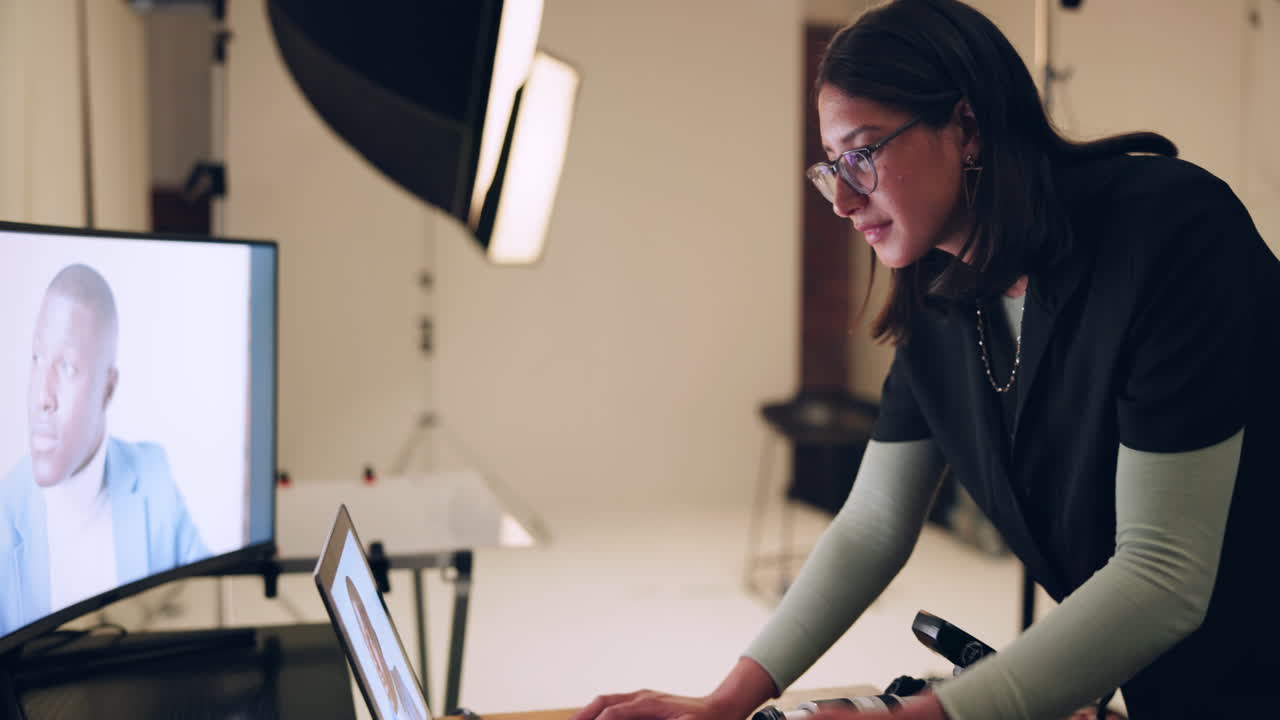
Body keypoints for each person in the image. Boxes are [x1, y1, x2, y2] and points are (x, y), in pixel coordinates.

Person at [571, 1, 1278, 719]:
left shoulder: (1173, 235)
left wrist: (926, 718)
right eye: (830, 168)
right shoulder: (943, 294)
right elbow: (875, 522)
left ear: (967, 128)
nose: (842, 200)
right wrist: (728, 700)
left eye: (864, 154)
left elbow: (1162, 576)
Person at [0, 264, 209, 637]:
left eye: (65, 366)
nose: (42, 398)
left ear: (108, 388)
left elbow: (211, 584)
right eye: (36, 359)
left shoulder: (151, 474)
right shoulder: (5, 511)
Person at [345, 576, 427, 720]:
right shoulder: (398, 705)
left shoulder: (405, 698)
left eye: (370, 640)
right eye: (365, 646)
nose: (373, 660)